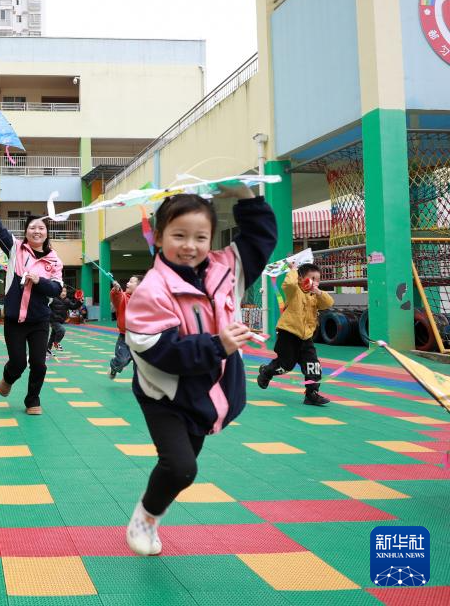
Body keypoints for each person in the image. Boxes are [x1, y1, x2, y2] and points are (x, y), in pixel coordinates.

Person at [123, 186, 276, 556]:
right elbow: (159, 351)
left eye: (200, 237)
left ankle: (152, 512)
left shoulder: (226, 269)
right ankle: (145, 518)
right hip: (164, 394)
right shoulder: (151, 290)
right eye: (179, 235)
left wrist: (248, 197)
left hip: (207, 392)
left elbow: (260, 239)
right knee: (180, 467)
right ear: (159, 237)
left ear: (211, 238)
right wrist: (217, 346)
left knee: (182, 468)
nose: (189, 246)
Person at [0, 195, 63, 415]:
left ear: (47, 233)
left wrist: (39, 281)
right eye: (32, 227)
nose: (36, 231)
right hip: (15, 320)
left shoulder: (54, 261)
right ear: (26, 232)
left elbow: (56, 289)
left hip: (39, 320)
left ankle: (32, 400)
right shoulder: (16, 249)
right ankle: (8, 378)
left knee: (39, 364)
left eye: (41, 228)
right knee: (18, 363)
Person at [256, 262, 334, 405]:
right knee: (285, 365)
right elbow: (289, 284)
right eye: (312, 279)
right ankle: (266, 371)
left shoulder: (315, 296)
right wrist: (293, 270)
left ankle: (311, 394)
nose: (315, 283)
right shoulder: (294, 291)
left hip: (306, 337)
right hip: (288, 334)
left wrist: (318, 292)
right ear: (300, 279)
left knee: (313, 365)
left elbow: (328, 303)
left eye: (318, 280)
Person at [109, 275, 142, 378]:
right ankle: (114, 367)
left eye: (131, 282)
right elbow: (116, 297)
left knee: (140, 366)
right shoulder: (123, 297)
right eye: (128, 281)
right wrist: (116, 290)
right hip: (125, 337)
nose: (127, 283)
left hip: (140, 338)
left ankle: (138, 383)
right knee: (122, 360)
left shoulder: (146, 301)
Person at [47, 288, 81, 355]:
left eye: (65, 291)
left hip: (60, 321)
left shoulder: (67, 301)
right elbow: (47, 306)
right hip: (53, 320)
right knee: (61, 330)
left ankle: (47, 350)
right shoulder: (53, 299)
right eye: (62, 291)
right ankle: (56, 343)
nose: (63, 293)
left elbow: (73, 306)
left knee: (53, 336)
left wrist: (80, 302)